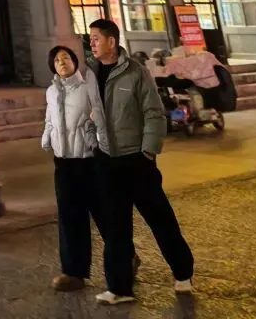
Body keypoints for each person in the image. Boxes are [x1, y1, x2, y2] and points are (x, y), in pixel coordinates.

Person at [87, 17, 194, 305]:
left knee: (160, 219)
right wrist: (91, 141)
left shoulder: (136, 72)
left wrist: (148, 151)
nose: (92, 43)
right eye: (90, 38)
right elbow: (91, 112)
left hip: (136, 159)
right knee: (115, 227)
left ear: (112, 41)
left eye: (96, 38)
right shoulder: (91, 72)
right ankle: (119, 288)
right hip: (106, 159)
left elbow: (153, 112)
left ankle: (183, 272)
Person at [41, 45, 102, 291]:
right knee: (69, 216)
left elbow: (99, 116)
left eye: (65, 57)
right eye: (57, 60)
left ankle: (125, 256)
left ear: (75, 62)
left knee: (103, 214)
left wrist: (93, 138)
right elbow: (49, 118)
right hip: (63, 162)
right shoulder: (51, 92)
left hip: (88, 160)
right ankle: (73, 272)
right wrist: (47, 137)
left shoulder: (88, 88)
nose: (62, 62)